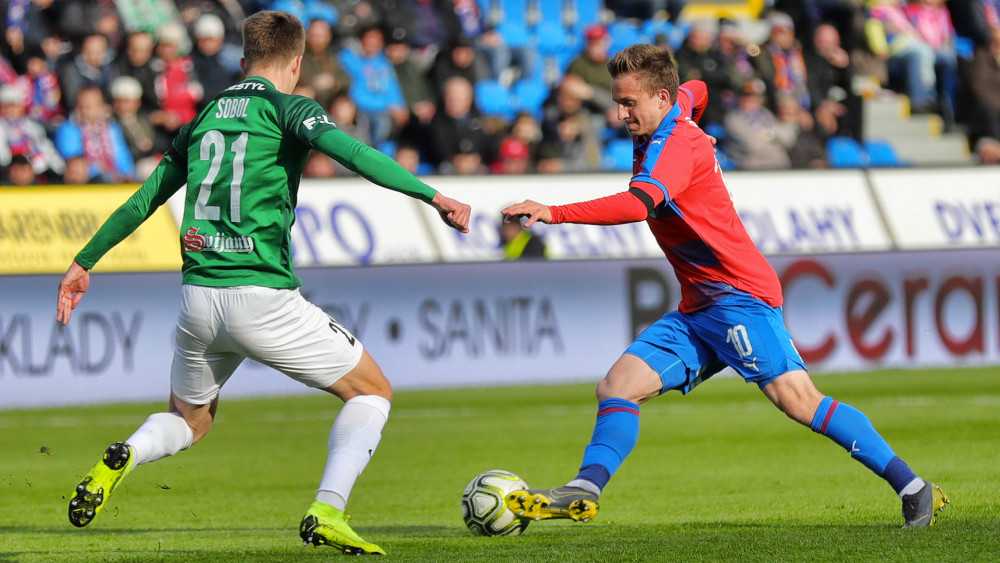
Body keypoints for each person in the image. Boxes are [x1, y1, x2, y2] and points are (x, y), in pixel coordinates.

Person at [57, 10, 471, 556]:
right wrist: (433, 195)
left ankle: (126, 456)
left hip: (198, 298)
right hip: (261, 296)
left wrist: (83, 261)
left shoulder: (204, 115)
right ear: (296, 63)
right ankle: (327, 509)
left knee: (189, 420)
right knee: (372, 392)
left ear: (244, 60)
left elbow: (145, 198)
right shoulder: (290, 108)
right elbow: (356, 153)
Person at [500, 43, 948, 529]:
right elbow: (698, 89)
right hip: (699, 308)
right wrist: (697, 122)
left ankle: (914, 489)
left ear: (661, 99)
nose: (620, 112)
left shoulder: (673, 147)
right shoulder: (676, 114)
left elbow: (637, 205)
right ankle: (583, 489)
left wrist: (554, 212)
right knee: (618, 386)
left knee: (798, 399)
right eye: (617, 100)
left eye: (629, 102)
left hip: (738, 297)